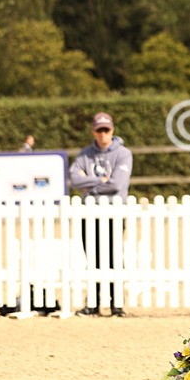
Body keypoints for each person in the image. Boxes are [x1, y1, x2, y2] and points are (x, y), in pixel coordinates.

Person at [68, 112, 133, 316]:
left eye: (106, 129)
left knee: (114, 257)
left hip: (113, 211)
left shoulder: (123, 153)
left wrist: (90, 185)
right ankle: (94, 303)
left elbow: (117, 184)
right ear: (94, 131)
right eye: (99, 130)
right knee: (93, 257)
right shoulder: (84, 154)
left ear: (112, 130)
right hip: (90, 212)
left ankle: (116, 304)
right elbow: (74, 180)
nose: (103, 133)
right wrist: (100, 181)